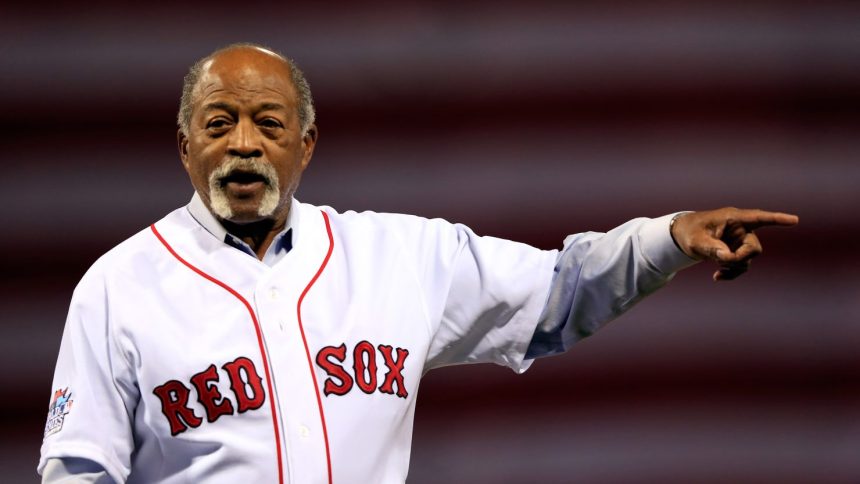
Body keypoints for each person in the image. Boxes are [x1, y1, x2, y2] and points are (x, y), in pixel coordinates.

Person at [37, 43, 798, 484]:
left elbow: (560, 293)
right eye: (218, 123)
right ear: (185, 145)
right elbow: (78, 474)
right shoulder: (118, 287)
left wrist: (668, 238)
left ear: (305, 147)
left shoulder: (397, 257)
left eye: (268, 123)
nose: (243, 143)